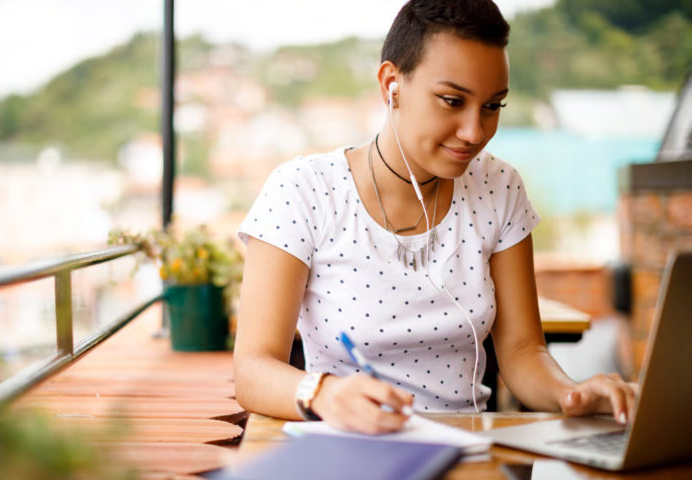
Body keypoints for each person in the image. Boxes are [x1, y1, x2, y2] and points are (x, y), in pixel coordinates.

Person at [233, 0, 638, 435]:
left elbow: (522, 350)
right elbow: (253, 370)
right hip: (350, 452)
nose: (474, 132)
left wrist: (570, 393)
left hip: (472, 455)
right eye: (452, 101)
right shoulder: (303, 190)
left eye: (492, 106)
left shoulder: (500, 187)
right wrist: (324, 394)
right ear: (392, 84)